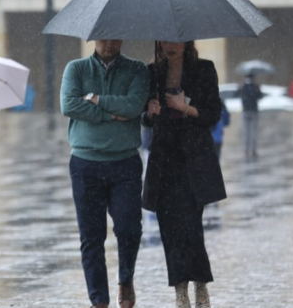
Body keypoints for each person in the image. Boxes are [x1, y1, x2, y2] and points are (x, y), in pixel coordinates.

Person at [59, 39, 149, 308]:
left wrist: (95, 100)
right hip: (85, 163)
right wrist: (110, 115)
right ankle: (98, 299)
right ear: (93, 38)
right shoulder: (75, 69)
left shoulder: (137, 70)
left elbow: (134, 106)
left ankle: (126, 278)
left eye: (114, 37)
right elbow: (69, 106)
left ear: (122, 38)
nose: (109, 43)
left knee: (129, 229)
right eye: (103, 37)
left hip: (126, 162)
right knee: (91, 236)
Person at [142, 41, 227, 308]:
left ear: (186, 40)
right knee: (169, 228)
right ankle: (180, 290)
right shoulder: (152, 72)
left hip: (194, 160)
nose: (170, 45)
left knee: (191, 226)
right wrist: (149, 113)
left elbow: (213, 113)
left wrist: (185, 107)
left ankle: (200, 284)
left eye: (176, 39)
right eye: (165, 39)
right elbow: (143, 116)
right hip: (164, 161)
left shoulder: (204, 69)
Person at [239, 74, 263, 159]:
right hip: (254, 111)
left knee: (246, 133)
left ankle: (246, 151)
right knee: (253, 132)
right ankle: (253, 151)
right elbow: (260, 96)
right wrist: (259, 88)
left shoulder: (243, 87)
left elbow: (238, 95)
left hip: (245, 111)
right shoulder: (255, 87)